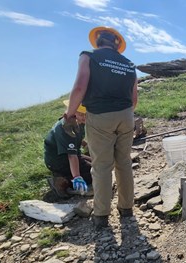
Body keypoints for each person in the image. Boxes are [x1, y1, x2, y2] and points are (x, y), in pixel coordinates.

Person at [64, 26, 138, 229]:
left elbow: (79, 87)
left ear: (97, 41)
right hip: (127, 116)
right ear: (117, 44)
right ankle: (126, 209)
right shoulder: (129, 64)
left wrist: (70, 114)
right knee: (123, 162)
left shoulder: (88, 56)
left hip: (100, 116)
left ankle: (102, 215)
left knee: (102, 166)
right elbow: (134, 99)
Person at [44, 100, 91, 198]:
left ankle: (65, 174)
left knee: (98, 164)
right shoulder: (66, 127)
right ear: (73, 111)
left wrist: (85, 144)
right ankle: (62, 182)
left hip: (71, 154)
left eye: (86, 114)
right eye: (81, 114)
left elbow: (75, 139)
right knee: (94, 173)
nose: (84, 117)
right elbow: (71, 156)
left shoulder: (77, 120)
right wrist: (77, 177)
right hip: (58, 160)